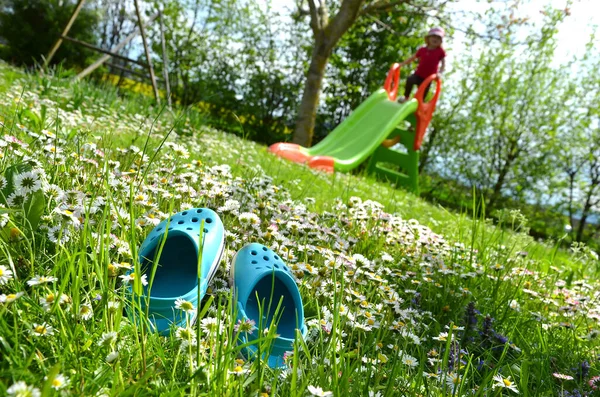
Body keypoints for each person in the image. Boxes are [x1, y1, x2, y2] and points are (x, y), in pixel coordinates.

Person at [397, 27, 446, 103]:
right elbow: (412, 58)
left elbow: (443, 64)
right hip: (418, 75)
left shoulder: (440, 51)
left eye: (438, 38)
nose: (435, 39)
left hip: (428, 78)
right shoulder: (422, 50)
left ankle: (419, 106)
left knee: (421, 96)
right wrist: (402, 64)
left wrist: (439, 73)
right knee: (410, 80)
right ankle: (406, 97)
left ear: (441, 41)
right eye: (433, 36)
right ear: (428, 38)